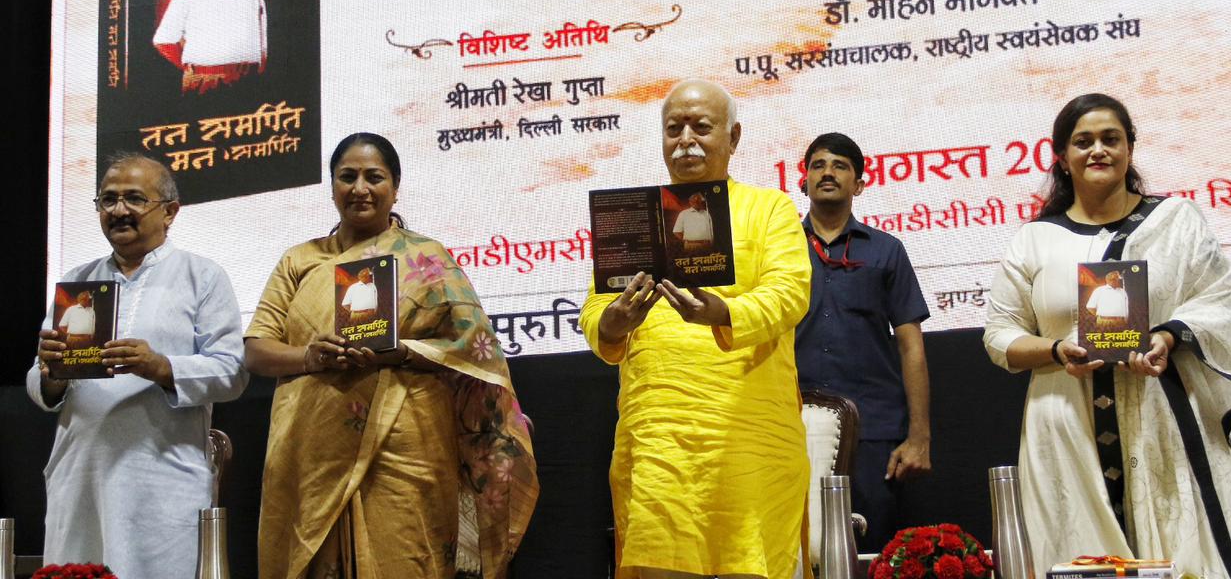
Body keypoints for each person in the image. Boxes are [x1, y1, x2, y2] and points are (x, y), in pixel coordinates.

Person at [983, 93, 1231, 577]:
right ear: (1060, 156)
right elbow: (999, 335)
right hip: (1064, 426)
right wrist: (1058, 349)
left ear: (1129, 148)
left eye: (1110, 139)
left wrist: (1166, 338)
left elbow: (1215, 300)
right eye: (1083, 141)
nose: (1098, 150)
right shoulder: (1035, 238)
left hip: (1164, 422)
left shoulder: (1176, 222)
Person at [244, 132, 537, 579]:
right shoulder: (299, 260)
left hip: (407, 449)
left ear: (395, 187)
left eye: (374, 177)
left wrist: (403, 350)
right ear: (332, 187)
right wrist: (311, 357)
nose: (360, 187)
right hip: (311, 453)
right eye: (347, 177)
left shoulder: (427, 259)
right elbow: (257, 350)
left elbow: (475, 349)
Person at [580, 79, 812, 579]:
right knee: (662, 562)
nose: (685, 138)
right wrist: (614, 322)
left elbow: (790, 293)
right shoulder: (635, 216)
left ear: (734, 137)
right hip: (658, 435)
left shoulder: (769, 208)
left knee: (747, 563)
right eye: (673, 128)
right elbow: (595, 312)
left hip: (748, 434)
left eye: (702, 127)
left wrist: (722, 314)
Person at [27, 153, 248, 578]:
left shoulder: (201, 276)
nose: (118, 211)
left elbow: (232, 372)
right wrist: (51, 375)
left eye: (133, 199)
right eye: (107, 200)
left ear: (170, 212)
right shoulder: (78, 281)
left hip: (161, 480)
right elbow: (39, 384)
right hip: (80, 477)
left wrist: (161, 367)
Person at [792, 132, 931, 553]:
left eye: (840, 166)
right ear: (804, 182)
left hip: (874, 430)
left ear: (859, 183)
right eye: (818, 165)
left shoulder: (887, 251)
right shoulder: (779, 251)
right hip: (790, 424)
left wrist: (919, 437)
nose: (828, 173)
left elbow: (911, 347)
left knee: (872, 553)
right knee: (795, 552)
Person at [672, 191, 714, 255]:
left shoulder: (707, 213)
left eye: (698, 200)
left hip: (707, 245)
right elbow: (676, 231)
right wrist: (688, 241)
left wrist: (711, 242)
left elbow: (711, 230)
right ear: (690, 202)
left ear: (702, 201)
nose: (696, 202)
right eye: (694, 200)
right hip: (691, 245)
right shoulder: (683, 213)